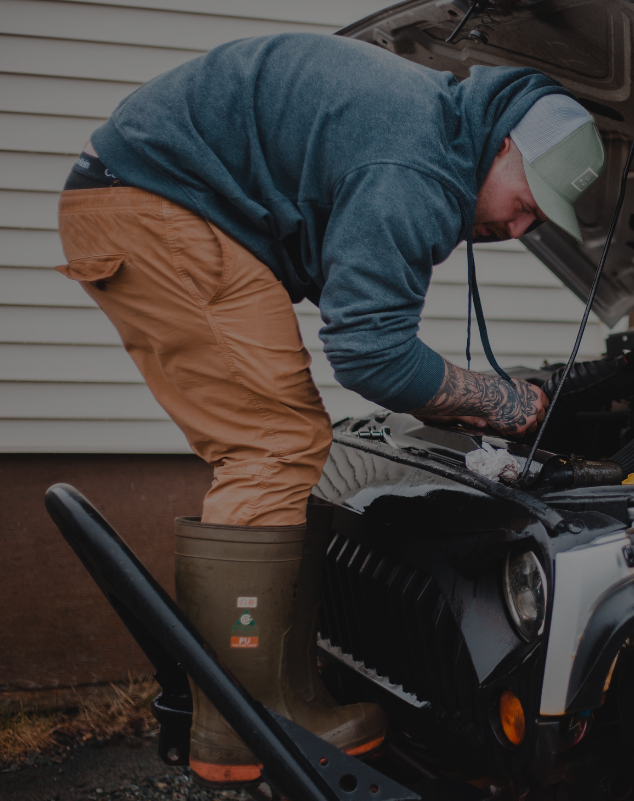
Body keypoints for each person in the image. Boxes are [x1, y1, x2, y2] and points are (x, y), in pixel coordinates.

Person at [55, 33, 605, 788]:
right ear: (505, 146)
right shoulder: (417, 163)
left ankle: (278, 690)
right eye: (526, 203)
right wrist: (503, 401)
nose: (519, 229)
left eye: (538, 221)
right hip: (157, 206)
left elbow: (363, 314)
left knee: (278, 437)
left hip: (139, 195)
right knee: (272, 444)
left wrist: (464, 394)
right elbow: (370, 354)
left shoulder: (433, 134)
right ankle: (245, 720)